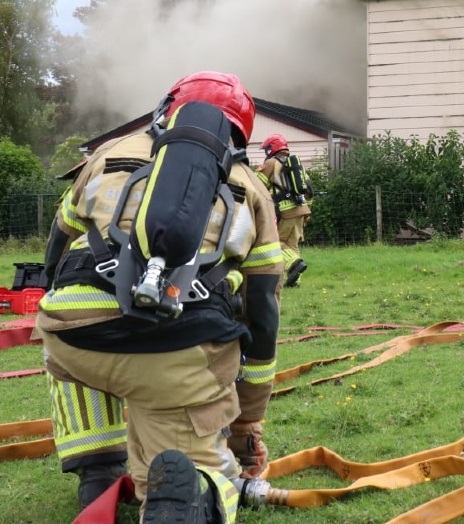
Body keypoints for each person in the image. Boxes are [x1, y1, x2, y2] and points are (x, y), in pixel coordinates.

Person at [35, 71, 283, 523]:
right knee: (201, 468)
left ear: (167, 111)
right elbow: (262, 310)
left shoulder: (107, 155)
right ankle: (192, 493)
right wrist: (246, 423)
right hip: (177, 354)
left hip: (75, 336)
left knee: (66, 351)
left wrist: (56, 306)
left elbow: (57, 249)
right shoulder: (251, 187)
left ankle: (99, 472)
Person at [256, 134, 312, 288]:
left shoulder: (270, 164)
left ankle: (294, 262)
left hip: (284, 211)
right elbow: (310, 190)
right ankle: (295, 281)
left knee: (274, 242)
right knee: (292, 245)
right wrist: (308, 210)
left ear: (271, 148)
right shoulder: (297, 166)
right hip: (301, 209)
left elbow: (255, 186)